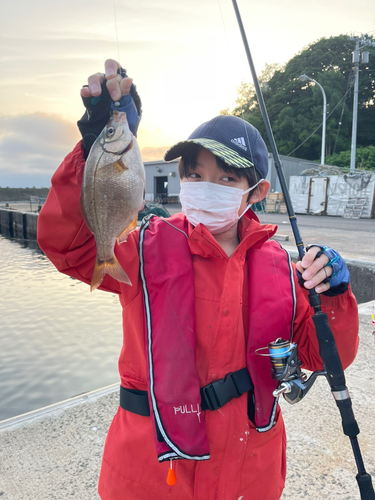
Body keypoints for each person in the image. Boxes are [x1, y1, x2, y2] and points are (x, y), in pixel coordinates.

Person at [37, 60, 359, 500]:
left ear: (256, 191)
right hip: (151, 473)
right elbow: (66, 245)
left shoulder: (283, 267)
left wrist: (337, 295)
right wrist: (93, 151)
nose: (206, 187)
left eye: (226, 178)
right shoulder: (145, 248)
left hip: (252, 470)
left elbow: (323, 356)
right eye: (194, 175)